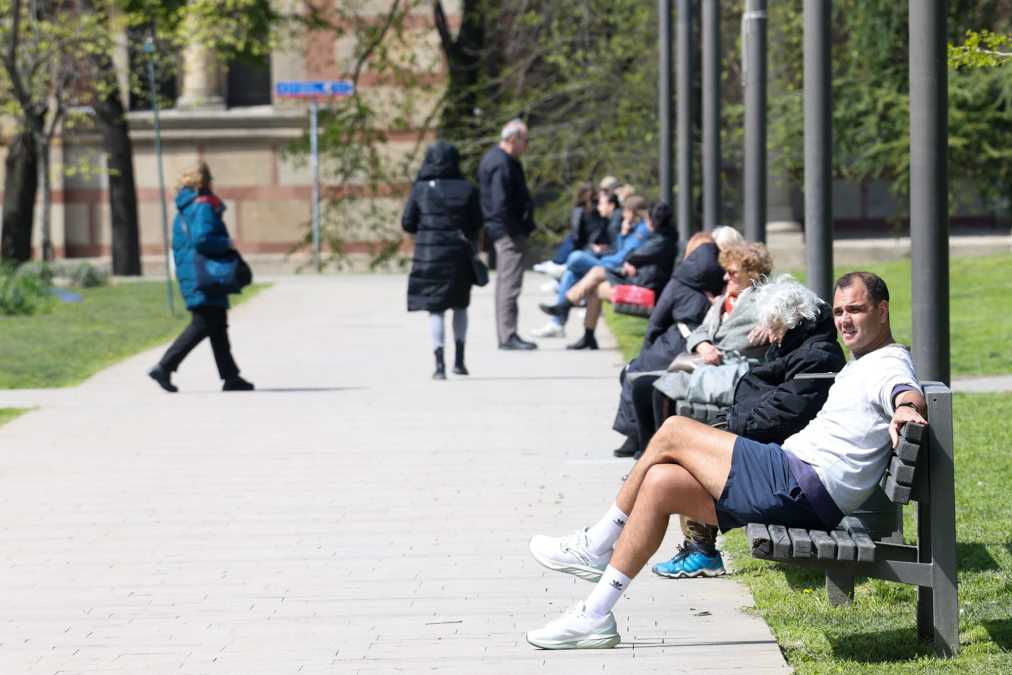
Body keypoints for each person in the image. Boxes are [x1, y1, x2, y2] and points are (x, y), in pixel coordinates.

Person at [524, 271, 925, 649]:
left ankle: (596, 545)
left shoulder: (888, 362)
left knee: (675, 430)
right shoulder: (863, 363)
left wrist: (906, 407)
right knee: (662, 482)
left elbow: (903, 389)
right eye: (838, 311)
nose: (844, 321)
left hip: (800, 485)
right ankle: (595, 615)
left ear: (883, 310)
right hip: (791, 477)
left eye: (855, 310)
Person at [647, 276, 846, 579]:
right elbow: (770, 397)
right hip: (771, 439)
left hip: (785, 457)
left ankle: (701, 550)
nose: (773, 336)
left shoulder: (817, 355)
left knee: (694, 461)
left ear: (793, 321)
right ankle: (698, 547)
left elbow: (785, 412)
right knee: (688, 451)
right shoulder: (798, 344)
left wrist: (734, 423)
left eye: (776, 327)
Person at [609, 233, 730, 457]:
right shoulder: (723, 283)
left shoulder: (680, 281)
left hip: (676, 348)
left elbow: (657, 320)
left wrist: (646, 350)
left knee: (633, 372)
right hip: (699, 352)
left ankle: (636, 436)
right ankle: (639, 440)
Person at [147, 161, 253, 393]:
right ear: (204, 181)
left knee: (217, 325)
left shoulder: (186, 207)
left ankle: (231, 377)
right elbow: (202, 239)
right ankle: (164, 366)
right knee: (204, 323)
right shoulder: (202, 206)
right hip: (204, 275)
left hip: (195, 274)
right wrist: (227, 243)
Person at [402, 141, 483, 379]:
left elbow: (407, 222)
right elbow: (477, 222)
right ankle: (460, 360)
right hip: (458, 257)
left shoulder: (421, 189)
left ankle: (439, 366)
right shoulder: (468, 188)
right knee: (460, 305)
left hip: (429, 257)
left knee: (436, 310)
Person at [563, 201, 679, 351]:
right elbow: (630, 255)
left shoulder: (661, 240)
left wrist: (630, 264)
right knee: (596, 280)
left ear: (652, 220)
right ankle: (580, 326)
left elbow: (631, 256)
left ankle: (569, 310)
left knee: (596, 281)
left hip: (646, 292)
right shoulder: (663, 237)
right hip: (642, 283)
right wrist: (624, 237)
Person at [535, 196, 650, 336]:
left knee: (577, 257)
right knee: (572, 273)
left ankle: (562, 301)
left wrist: (606, 258)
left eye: (626, 211)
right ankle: (560, 321)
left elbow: (624, 257)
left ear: (632, 211)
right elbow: (621, 251)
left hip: (618, 270)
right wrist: (624, 234)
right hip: (612, 265)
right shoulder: (634, 227)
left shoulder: (642, 230)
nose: (623, 215)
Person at [478, 119, 537, 351]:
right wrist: (513, 231)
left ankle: (507, 333)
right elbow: (500, 204)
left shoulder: (506, 161)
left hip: (506, 230)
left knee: (507, 283)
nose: (527, 146)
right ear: (513, 139)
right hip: (507, 233)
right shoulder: (500, 163)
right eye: (525, 140)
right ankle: (508, 335)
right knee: (509, 284)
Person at [531, 182, 609, 281]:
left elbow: (577, 235)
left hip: (588, 247)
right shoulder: (593, 211)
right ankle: (557, 265)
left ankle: (557, 263)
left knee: (570, 241)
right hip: (592, 246)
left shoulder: (585, 211)